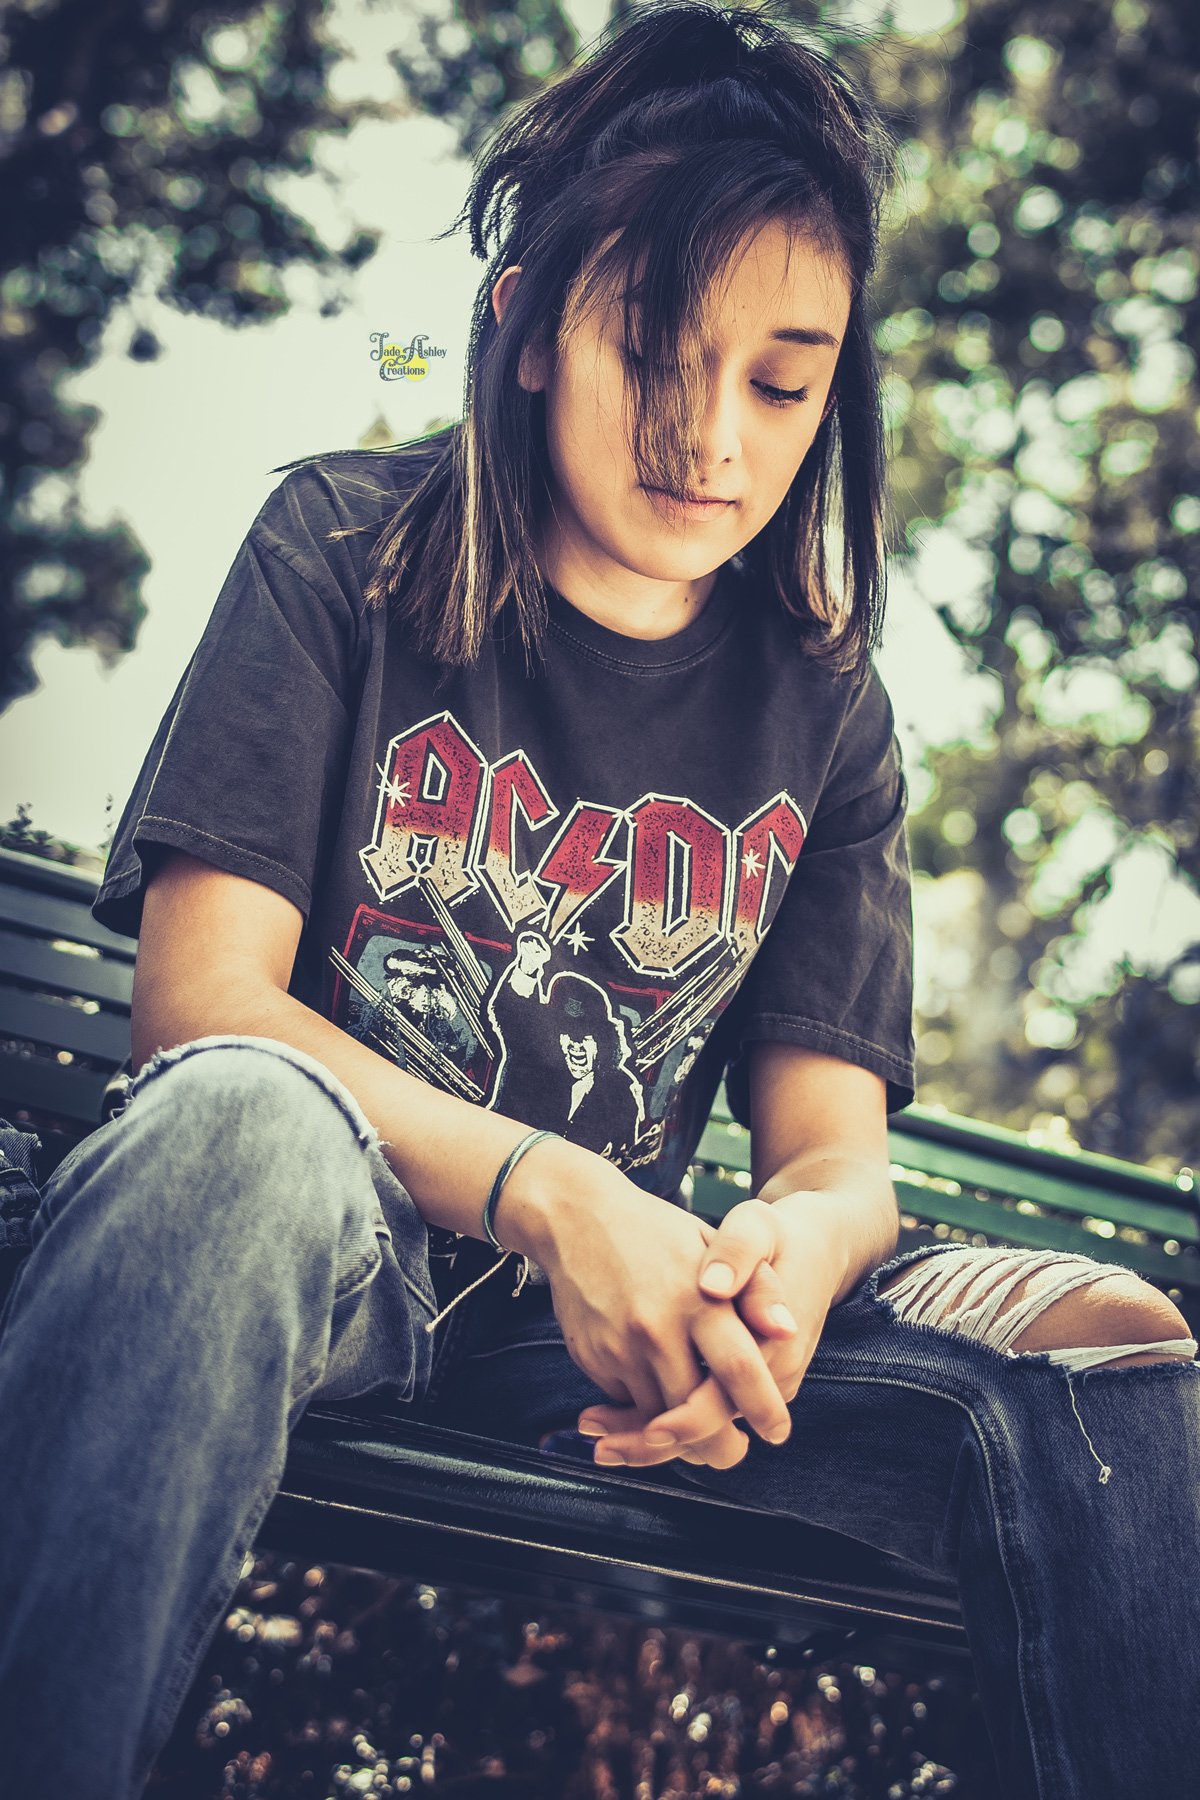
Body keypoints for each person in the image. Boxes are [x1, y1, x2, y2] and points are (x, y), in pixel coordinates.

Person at [0, 5, 1196, 1796]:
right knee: (246, 1124)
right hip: (299, 1257)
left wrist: (790, 1261)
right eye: (654, 350)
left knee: (1120, 1357)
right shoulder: (340, 549)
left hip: (596, 1354)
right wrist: (556, 1191)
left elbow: (830, 1156)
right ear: (526, 324)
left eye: (785, 382)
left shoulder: (829, 710)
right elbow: (204, 1007)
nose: (713, 434)